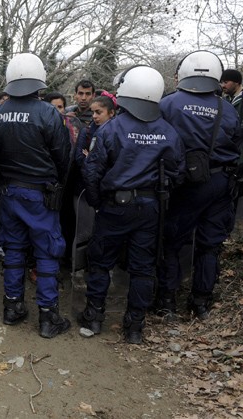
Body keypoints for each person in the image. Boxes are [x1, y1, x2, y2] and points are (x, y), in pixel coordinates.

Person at [80, 65, 184, 344]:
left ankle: (94, 316)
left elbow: (92, 171)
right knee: (142, 267)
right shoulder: (168, 132)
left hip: (115, 206)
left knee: (101, 262)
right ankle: (134, 327)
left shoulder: (112, 129)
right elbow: (177, 172)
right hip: (150, 209)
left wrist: (96, 202)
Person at [0, 53, 72, 338]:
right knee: (47, 251)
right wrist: (58, 183)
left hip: (10, 192)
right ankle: (48, 317)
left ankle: (12, 307)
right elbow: (63, 156)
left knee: (14, 249)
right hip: (40, 195)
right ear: (39, 82)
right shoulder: (49, 113)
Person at [156, 50, 242, 320]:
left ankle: (166, 301)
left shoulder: (167, 104)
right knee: (210, 244)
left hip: (182, 183)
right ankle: (200, 302)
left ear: (183, 73)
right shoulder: (227, 108)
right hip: (220, 183)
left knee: (171, 241)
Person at [75, 94, 116, 169]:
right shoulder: (86, 131)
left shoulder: (119, 133)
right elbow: (79, 158)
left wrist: (90, 157)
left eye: (98, 112)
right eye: (92, 112)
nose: (94, 116)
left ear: (111, 113)